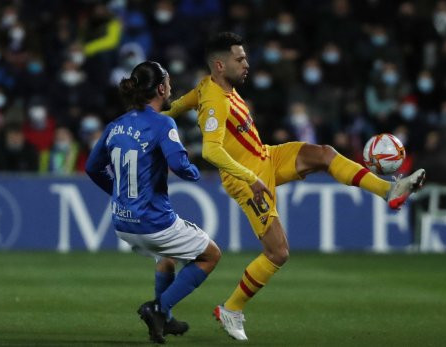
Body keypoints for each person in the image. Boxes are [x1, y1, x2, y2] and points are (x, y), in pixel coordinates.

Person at [164, 32, 425, 341]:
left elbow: (177, 106)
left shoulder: (210, 86)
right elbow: (210, 151)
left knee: (325, 154)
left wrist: (150, 117)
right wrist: (250, 177)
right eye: (240, 59)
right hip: (247, 179)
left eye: (245, 57)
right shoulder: (215, 103)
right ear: (220, 65)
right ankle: (231, 309)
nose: (247, 63)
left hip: (266, 156)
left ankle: (388, 191)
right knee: (278, 253)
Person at [85, 61, 221, 344]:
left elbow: (92, 167)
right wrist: (197, 171)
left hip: (122, 222)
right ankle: (159, 309)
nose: (170, 88)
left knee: (165, 257)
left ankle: (165, 322)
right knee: (210, 255)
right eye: (168, 83)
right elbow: (180, 166)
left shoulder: (115, 126)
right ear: (160, 88)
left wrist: (118, 193)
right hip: (153, 223)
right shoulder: (163, 123)